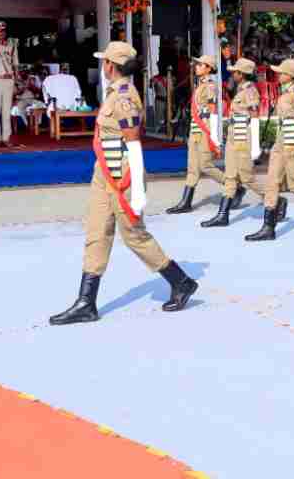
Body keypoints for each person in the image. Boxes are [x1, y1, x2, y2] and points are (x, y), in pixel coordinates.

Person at [49, 41, 197, 325]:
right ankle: (86, 302)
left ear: (111, 66)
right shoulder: (113, 93)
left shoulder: (124, 97)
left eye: (104, 61)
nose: (102, 65)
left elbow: (134, 143)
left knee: (134, 235)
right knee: (96, 232)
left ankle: (181, 281)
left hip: (123, 176)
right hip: (104, 173)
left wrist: (138, 190)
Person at [245, 58, 294, 242]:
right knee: (272, 183)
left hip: (290, 143)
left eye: (281, 72)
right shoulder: (285, 92)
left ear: (289, 76)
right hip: (281, 142)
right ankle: (268, 228)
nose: (278, 75)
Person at [165, 55, 225, 219]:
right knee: (192, 167)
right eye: (197, 64)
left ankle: (233, 185)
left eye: (200, 64)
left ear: (208, 68)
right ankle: (186, 202)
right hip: (195, 129)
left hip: (204, 129)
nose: (197, 66)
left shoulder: (210, 86)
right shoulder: (200, 85)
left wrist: (213, 136)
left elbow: (213, 112)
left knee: (205, 165)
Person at [204, 58, 262, 227]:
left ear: (242, 74)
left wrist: (256, 146)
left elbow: (255, 116)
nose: (232, 74)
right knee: (230, 176)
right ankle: (223, 215)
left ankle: (275, 200)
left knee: (246, 177)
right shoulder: (239, 89)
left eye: (235, 72)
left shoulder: (250, 91)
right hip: (233, 133)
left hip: (243, 135)